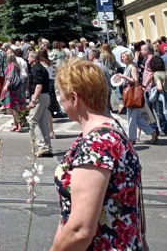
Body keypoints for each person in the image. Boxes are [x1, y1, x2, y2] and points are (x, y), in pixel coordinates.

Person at [51, 58, 145, 250]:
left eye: (61, 95)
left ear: (75, 98)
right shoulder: (112, 129)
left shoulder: (97, 144)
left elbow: (80, 230)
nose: (60, 101)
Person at [114, 50, 158, 145]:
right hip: (131, 95)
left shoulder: (132, 66)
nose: (122, 58)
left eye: (124, 56)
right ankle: (152, 132)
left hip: (133, 95)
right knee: (137, 119)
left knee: (131, 118)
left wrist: (123, 77)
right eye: (122, 57)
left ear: (129, 57)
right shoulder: (129, 66)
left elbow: (135, 80)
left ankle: (132, 138)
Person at [27, 50, 53, 158]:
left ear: (34, 58)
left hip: (40, 96)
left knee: (32, 120)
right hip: (45, 96)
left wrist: (33, 100)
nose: (28, 59)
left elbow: (39, 86)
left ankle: (42, 147)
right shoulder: (41, 67)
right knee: (42, 122)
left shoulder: (36, 68)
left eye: (29, 57)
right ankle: (47, 147)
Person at [1, 50, 26, 131]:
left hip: (12, 88)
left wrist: (6, 86)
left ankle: (18, 125)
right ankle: (16, 124)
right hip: (17, 88)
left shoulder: (11, 66)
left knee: (13, 107)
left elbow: (9, 77)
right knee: (14, 107)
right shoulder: (16, 66)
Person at [149, 54, 167, 134]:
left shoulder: (156, 74)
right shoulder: (165, 72)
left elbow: (159, 87)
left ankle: (164, 129)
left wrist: (155, 89)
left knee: (160, 113)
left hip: (162, 95)